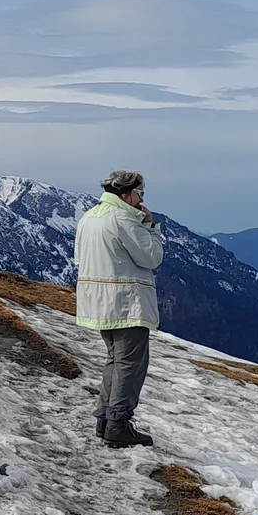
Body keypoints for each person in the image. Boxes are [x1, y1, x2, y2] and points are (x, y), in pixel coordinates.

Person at [73, 170, 165, 448]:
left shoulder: (89, 217)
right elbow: (152, 257)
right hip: (126, 303)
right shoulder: (124, 218)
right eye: (140, 194)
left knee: (114, 360)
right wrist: (150, 227)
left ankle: (104, 418)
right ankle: (118, 422)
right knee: (130, 364)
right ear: (126, 194)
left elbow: (79, 257)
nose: (141, 200)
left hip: (97, 302)